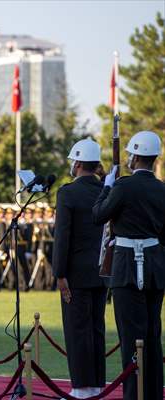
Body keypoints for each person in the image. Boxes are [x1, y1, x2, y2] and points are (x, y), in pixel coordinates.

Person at [92, 131, 165, 400]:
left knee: (131, 339)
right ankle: (155, 393)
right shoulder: (162, 189)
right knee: (152, 335)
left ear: (134, 156)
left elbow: (99, 215)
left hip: (126, 269)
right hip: (155, 268)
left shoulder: (122, 186)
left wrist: (107, 187)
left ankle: (134, 395)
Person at [53, 138, 107, 398]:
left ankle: (82, 388)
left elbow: (62, 237)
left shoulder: (67, 193)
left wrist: (59, 274)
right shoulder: (106, 190)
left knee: (77, 330)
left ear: (76, 163)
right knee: (96, 329)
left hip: (75, 273)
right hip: (101, 271)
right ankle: (96, 384)